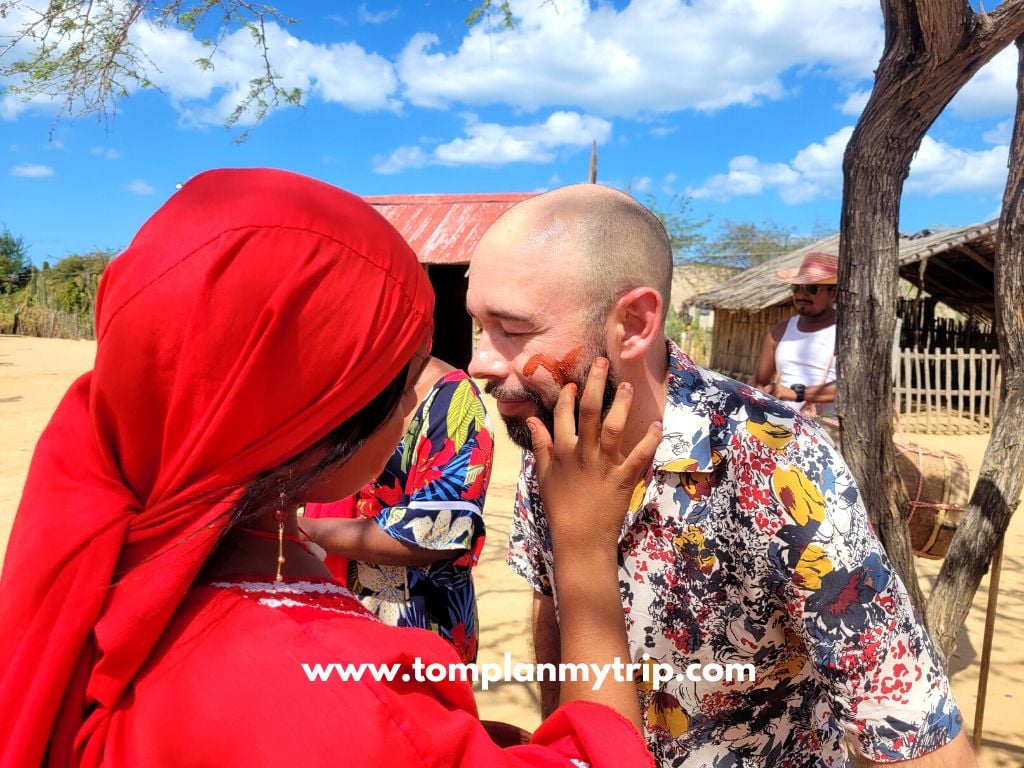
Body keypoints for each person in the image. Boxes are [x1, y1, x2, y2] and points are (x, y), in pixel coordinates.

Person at [0, 168, 658, 767]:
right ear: (318, 414)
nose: (478, 364)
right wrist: (584, 555)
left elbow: (445, 526)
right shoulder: (342, 706)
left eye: (508, 329)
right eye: (402, 381)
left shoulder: (91, 565)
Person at [466, 183, 975, 767]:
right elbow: (551, 607)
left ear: (633, 322)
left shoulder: (776, 463)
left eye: (513, 329)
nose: (479, 359)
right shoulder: (553, 431)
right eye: (479, 325)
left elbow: (913, 729)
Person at [302, 355, 493, 663]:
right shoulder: (345, 377)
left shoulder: (453, 399)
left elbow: (439, 528)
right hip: (330, 608)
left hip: (417, 623)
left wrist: (303, 531)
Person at [753, 252, 838, 417]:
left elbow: (854, 386)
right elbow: (759, 382)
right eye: (796, 288)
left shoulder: (847, 334)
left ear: (833, 293)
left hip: (828, 432)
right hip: (782, 427)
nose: (800, 295)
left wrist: (797, 394)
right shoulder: (780, 331)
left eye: (811, 288)